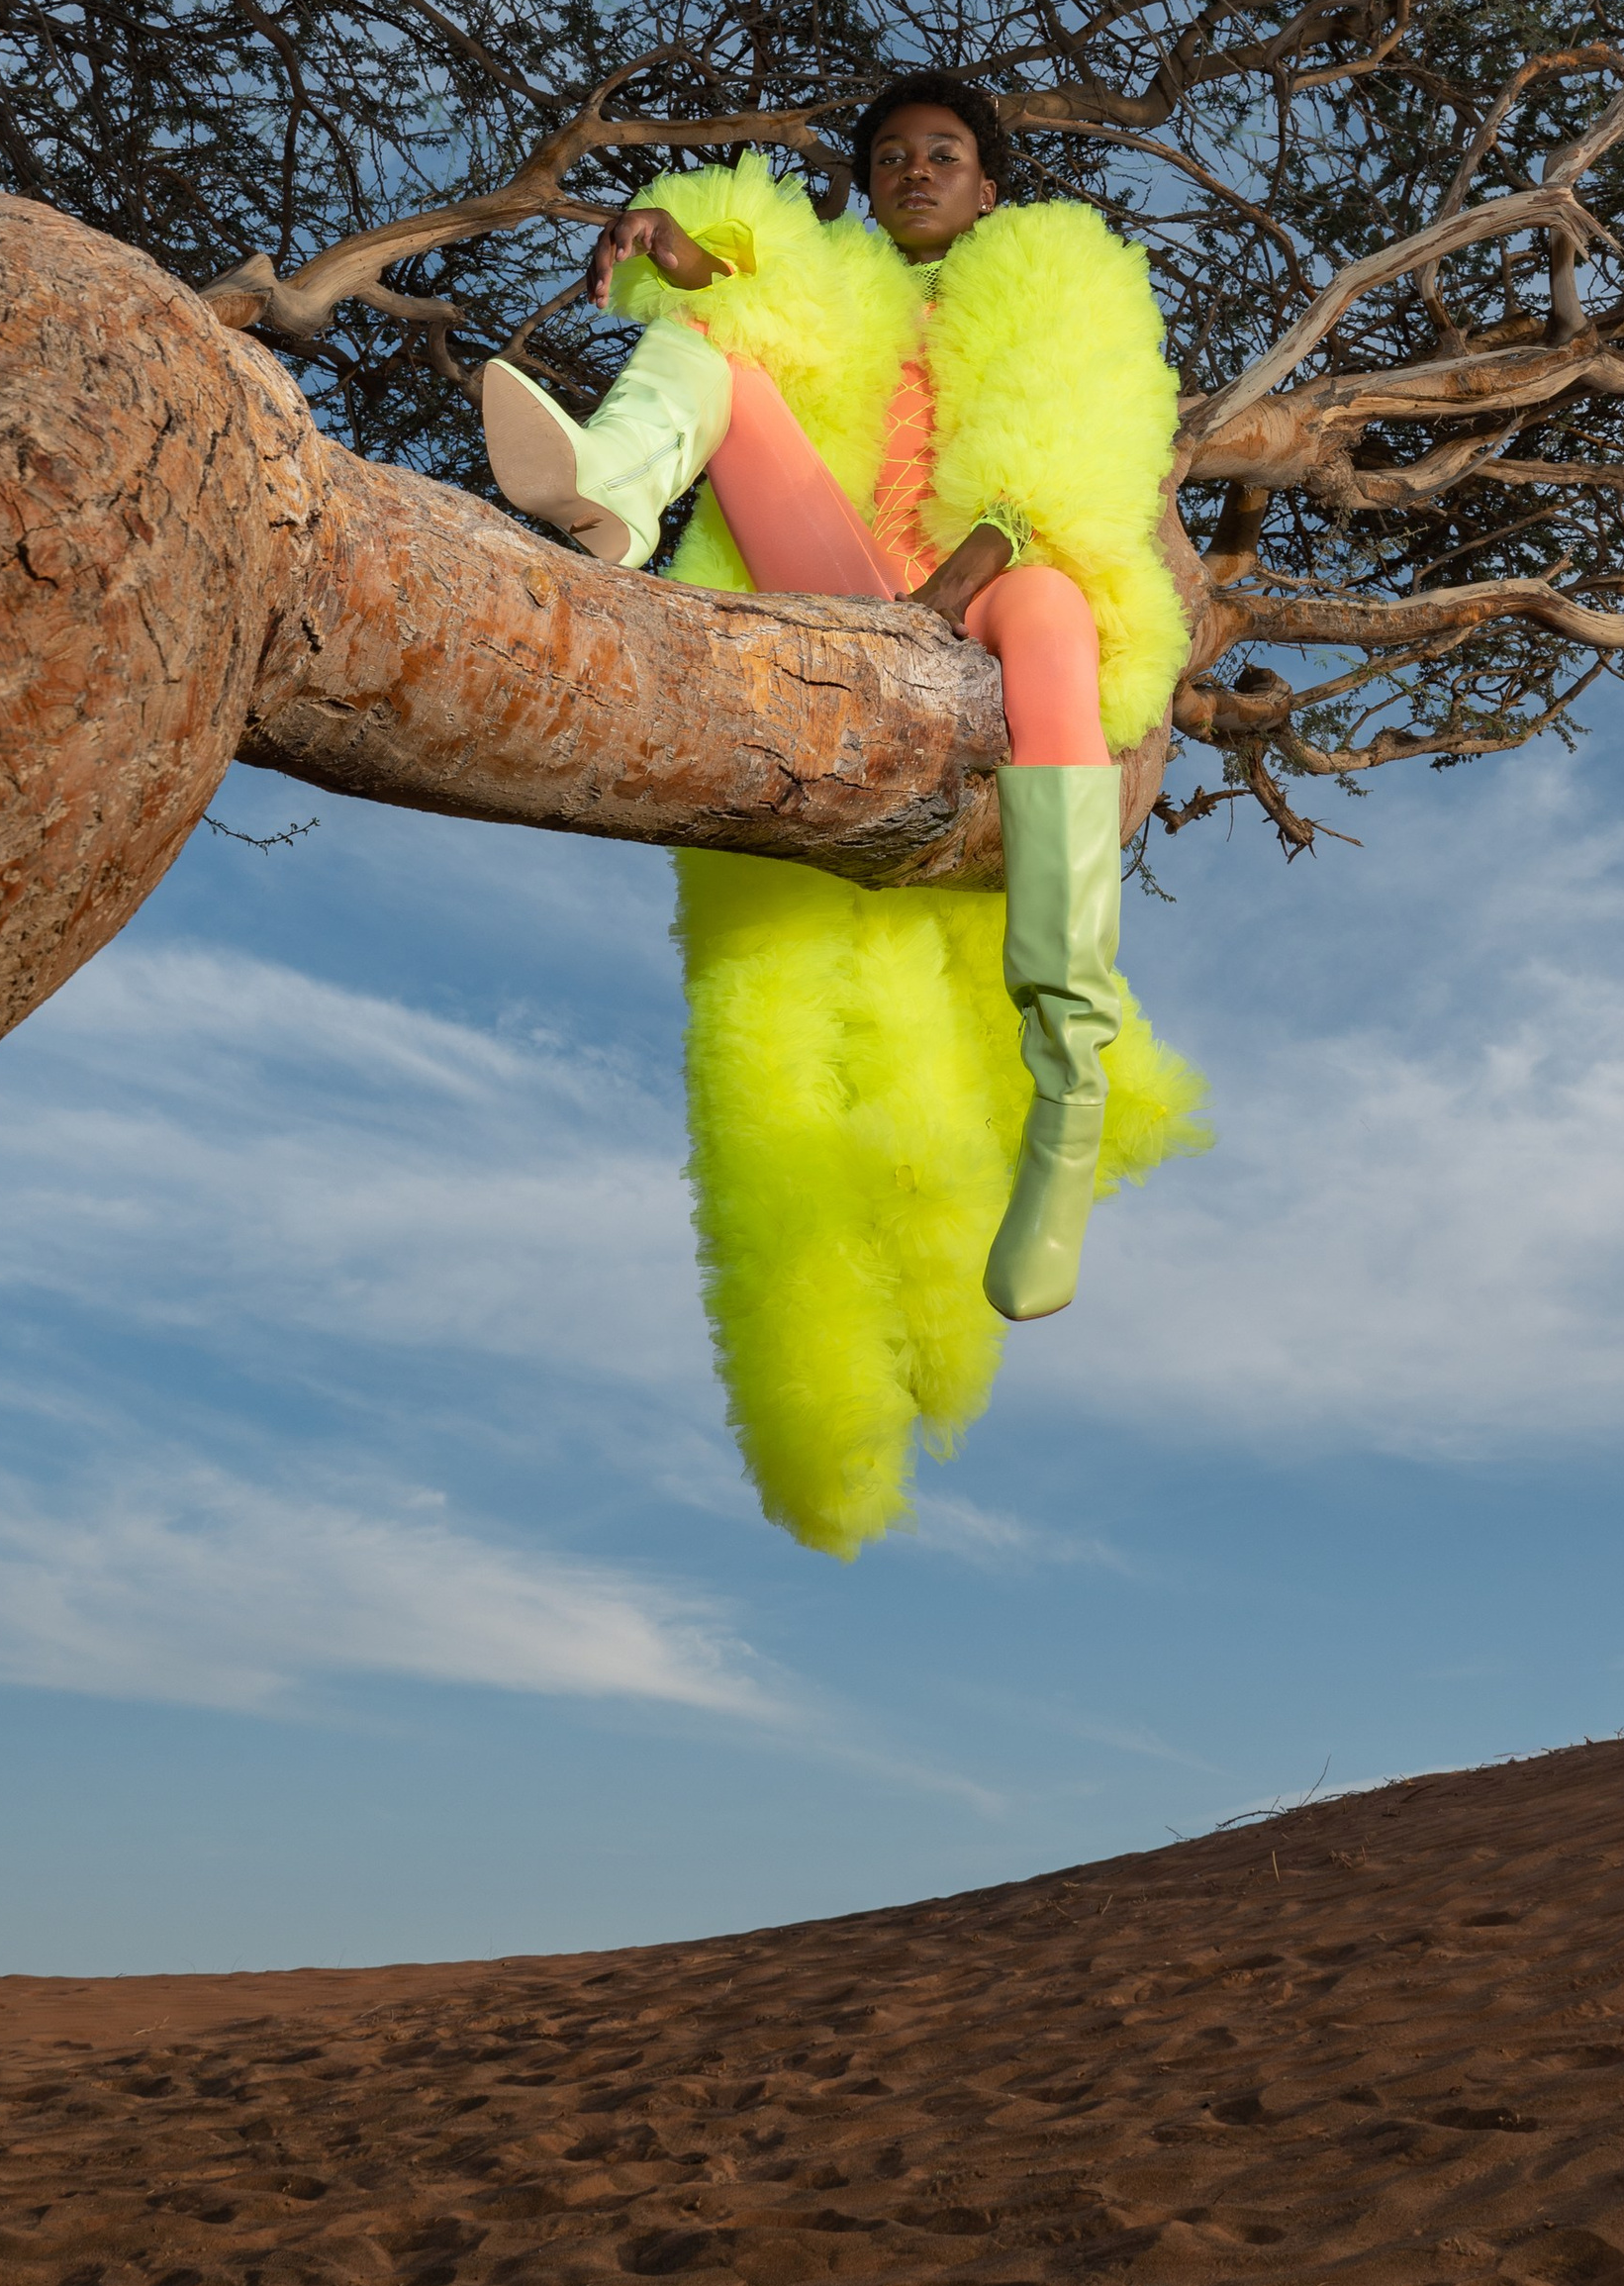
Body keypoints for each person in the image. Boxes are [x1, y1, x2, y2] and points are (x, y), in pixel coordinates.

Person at [478, 76, 1208, 1556]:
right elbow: (758, 279)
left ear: (990, 182)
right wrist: (687, 257)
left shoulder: (1063, 266)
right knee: (720, 357)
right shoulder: (850, 274)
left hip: (996, 571)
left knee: (1060, 613)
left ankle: (1067, 1057)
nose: (912, 172)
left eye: (940, 154)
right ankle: (610, 496)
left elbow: (1086, 451)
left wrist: (972, 568)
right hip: (852, 585)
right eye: (888, 159)